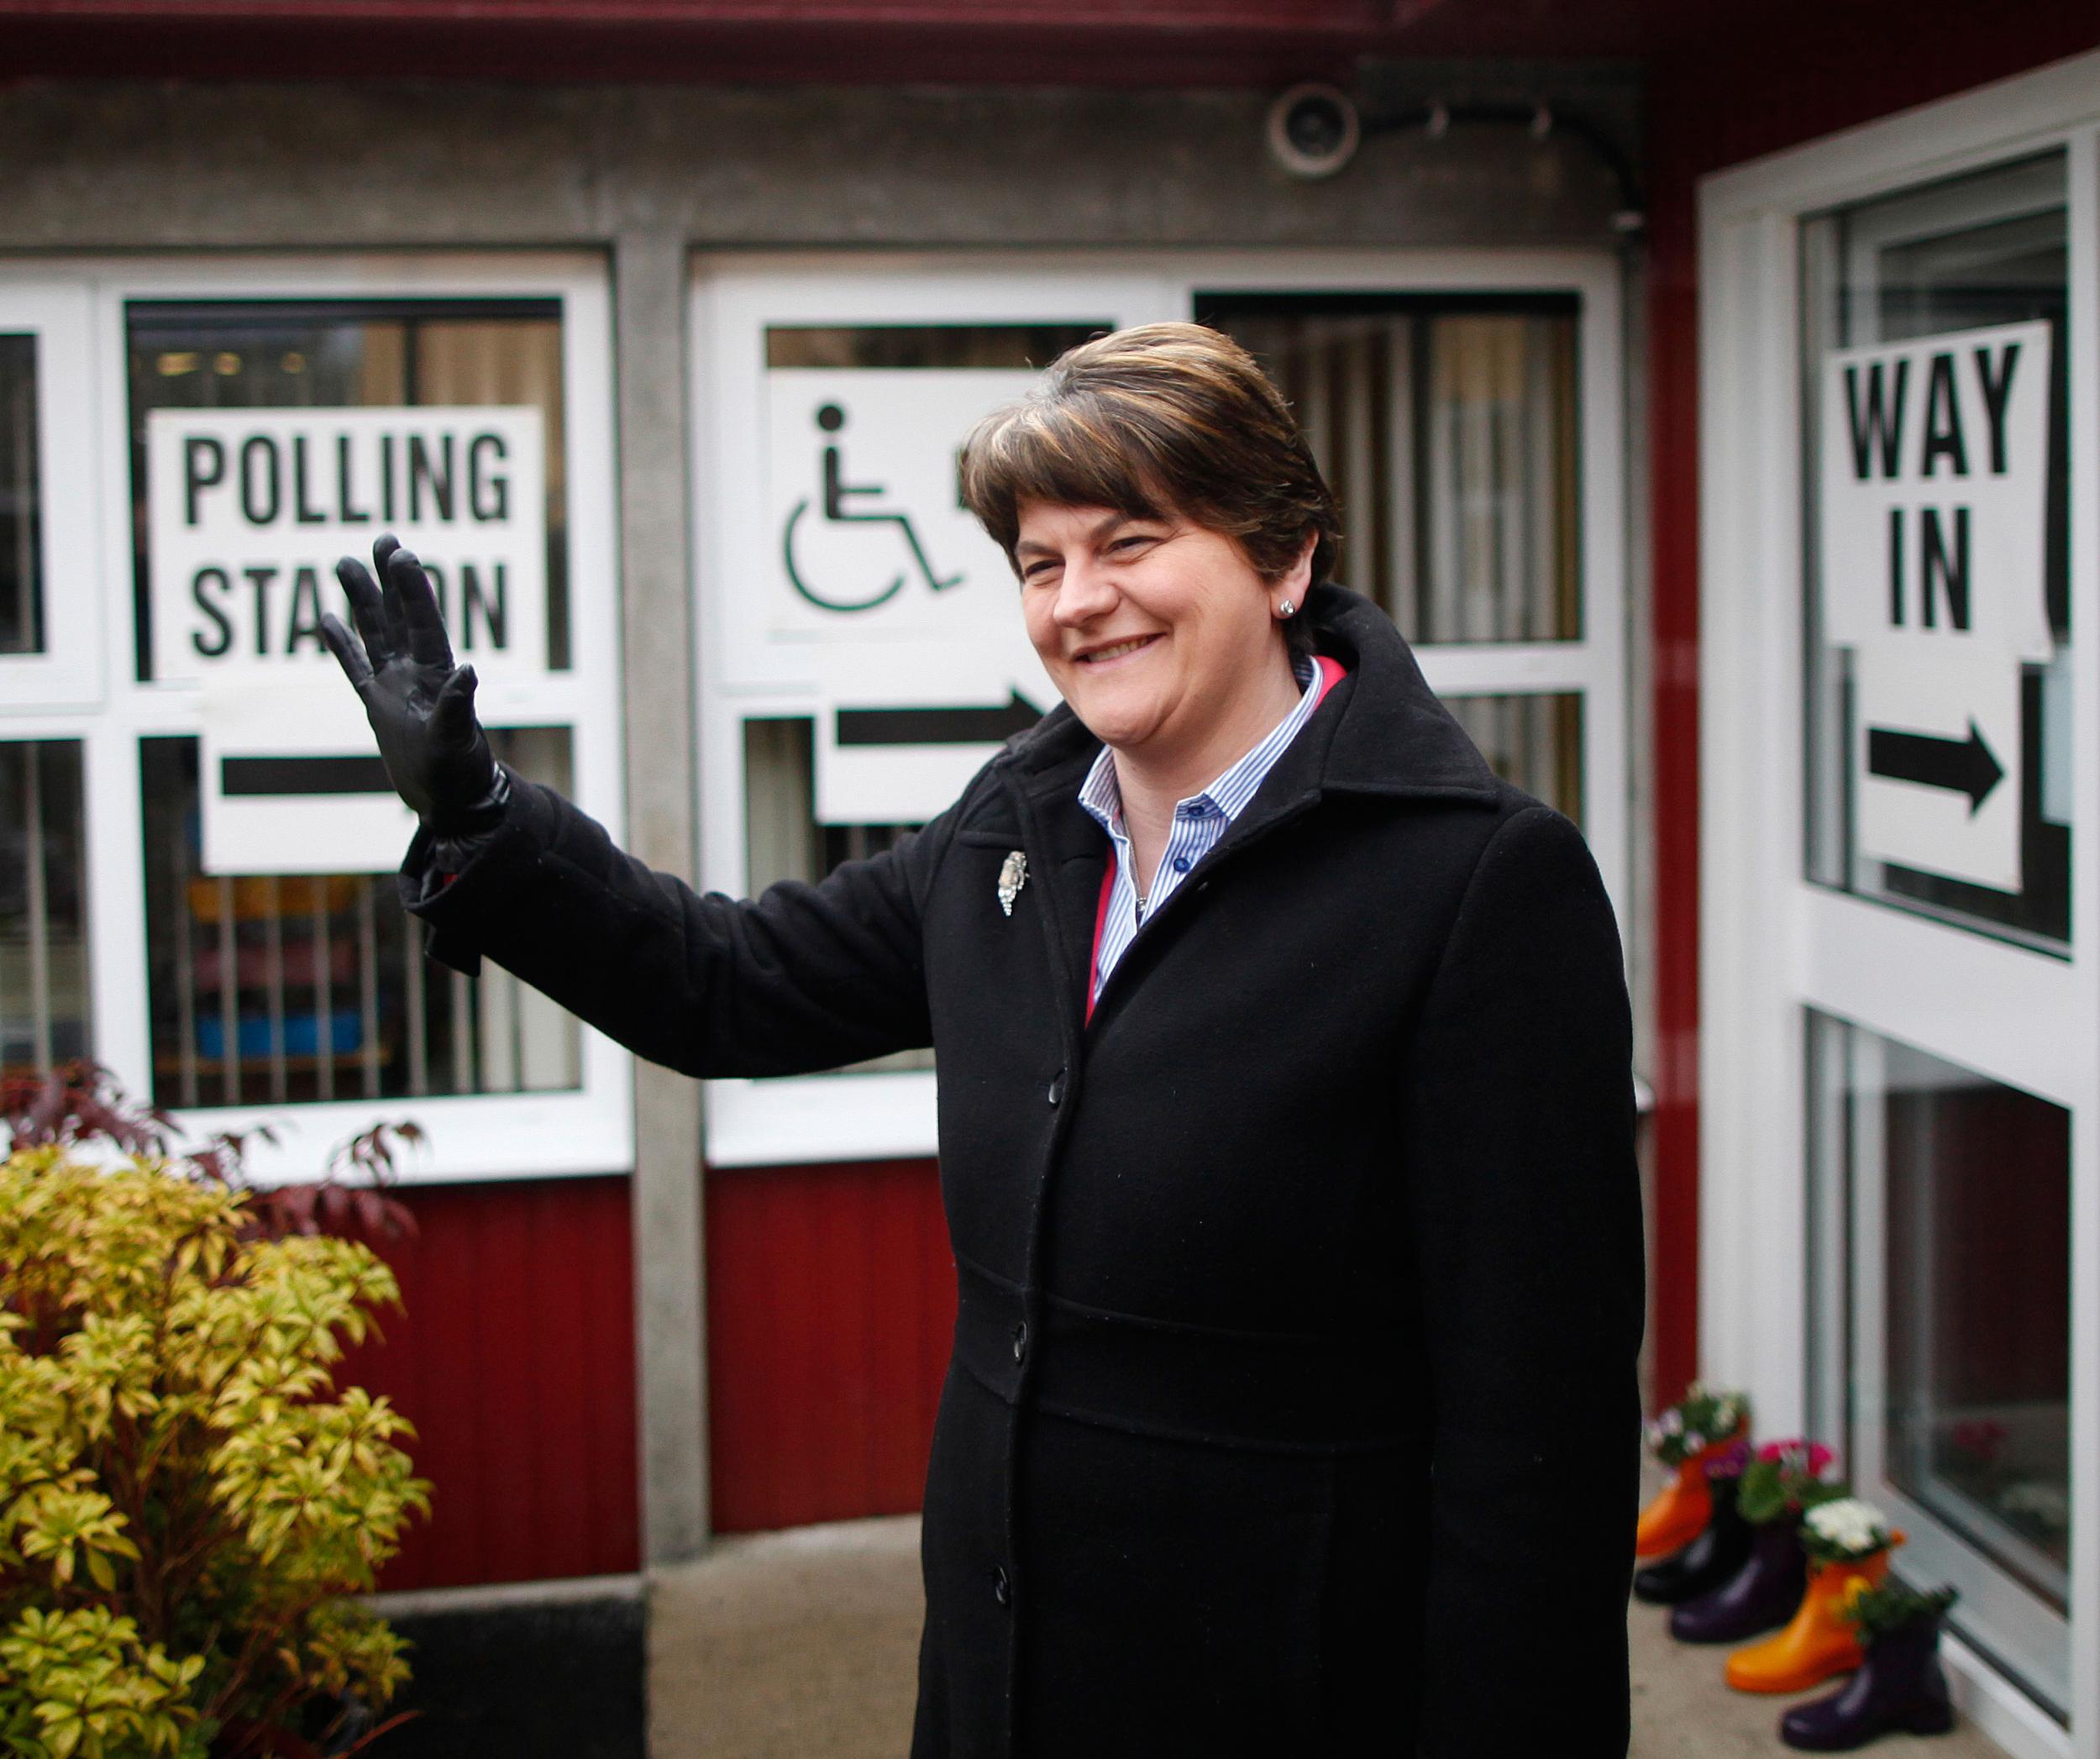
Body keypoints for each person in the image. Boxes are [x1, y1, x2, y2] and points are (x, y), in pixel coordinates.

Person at [320, 322, 1646, 1758]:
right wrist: (481, 815)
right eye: (1040, 561)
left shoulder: (1476, 883)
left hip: (1294, 1701)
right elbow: (731, 979)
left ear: (1284, 558)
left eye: (1131, 541)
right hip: (1004, 1688)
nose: (1081, 601)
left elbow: (1541, 1455)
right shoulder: (1016, 827)